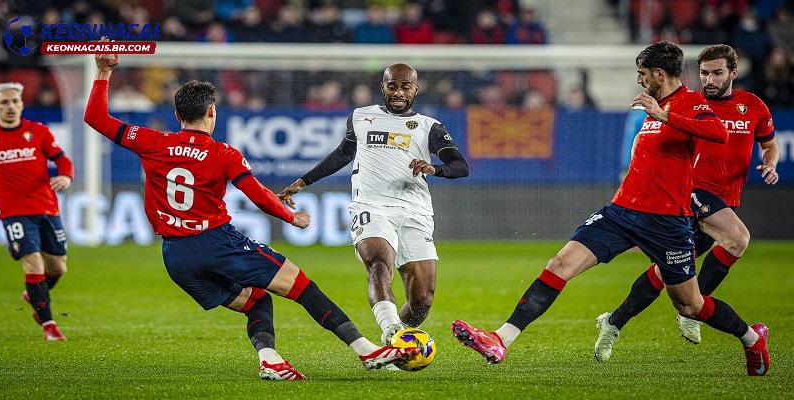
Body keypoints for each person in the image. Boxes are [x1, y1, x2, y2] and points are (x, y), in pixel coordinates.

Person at [83, 42, 418, 381]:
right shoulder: (224, 153)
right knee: (302, 286)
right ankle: (367, 350)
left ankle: (270, 359)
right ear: (211, 112)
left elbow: (94, 117)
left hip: (176, 257)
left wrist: (104, 71)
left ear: (177, 115)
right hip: (216, 243)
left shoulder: (151, 141)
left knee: (256, 301)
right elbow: (256, 194)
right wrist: (292, 217)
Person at [450, 41, 770, 376]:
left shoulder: (691, 103)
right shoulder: (652, 107)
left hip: (667, 222)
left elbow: (718, 132)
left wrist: (664, 115)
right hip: (621, 213)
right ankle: (501, 338)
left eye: (643, 75)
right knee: (560, 263)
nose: (639, 80)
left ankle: (751, 338)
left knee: (690, 305)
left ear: (660, 75)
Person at [595, 44, 779, 356]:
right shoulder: (689, 103)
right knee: (737, 239)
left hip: (725, 198)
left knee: (669, 269)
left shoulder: (753, 106)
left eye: (717, 73)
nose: (709, 79)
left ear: (733, 73)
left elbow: (769, 143)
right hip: (692, 191)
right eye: (704, 72)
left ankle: (614, 321)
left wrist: (770, 163)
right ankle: (691, 312)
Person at [278, 64, 468, 346]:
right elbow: (343, 153)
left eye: (405, 86)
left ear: (416, 89)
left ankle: (395, 338)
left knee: (422, 300)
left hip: (415, 211)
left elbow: (460, 166)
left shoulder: (429, 127)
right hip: (371, 206)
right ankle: (394, 333)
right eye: (392, 86)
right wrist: (304, 181)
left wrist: (434, 168)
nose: (399, 92)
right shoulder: (361, 117)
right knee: (379, 265)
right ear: (383, 87)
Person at [0, 82, 73, 341]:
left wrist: (66, 176)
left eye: (14, 101)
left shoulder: (38, 131)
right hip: (14, 212)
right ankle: (49, 325)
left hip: (47, 208)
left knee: (59, 267)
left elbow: (62, 159)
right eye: (4, 102)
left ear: (22, 104)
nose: (10, 107)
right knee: (33, 262)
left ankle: (35, 293)